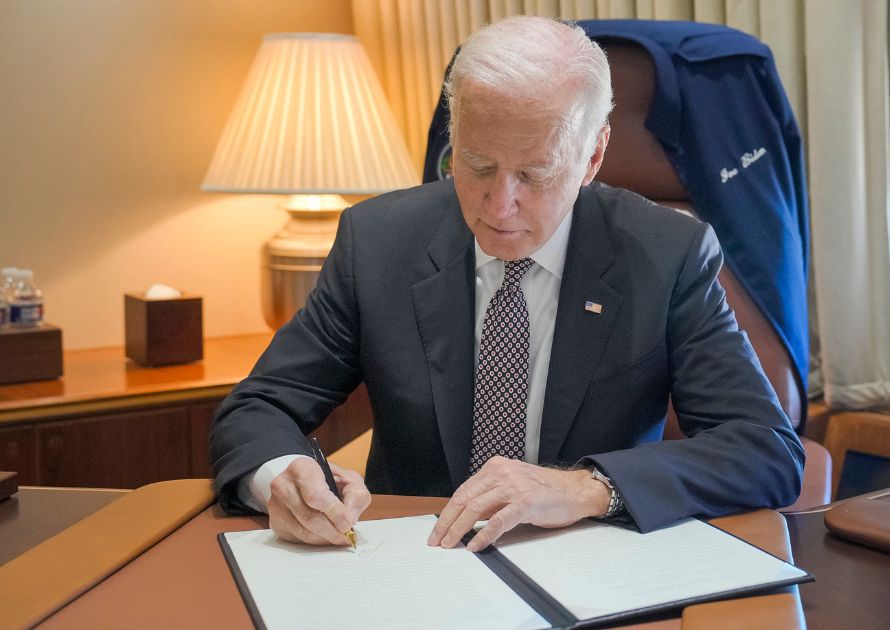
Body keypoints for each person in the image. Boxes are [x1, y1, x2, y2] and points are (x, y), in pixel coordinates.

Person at [210, 15, 805, 553]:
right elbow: (258, 405)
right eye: (478, 165)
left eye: (535, 172)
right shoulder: (378, 241)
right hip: (411, 565)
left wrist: (588, 487)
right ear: (454, 137)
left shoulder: (667, 253)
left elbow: (764, 450)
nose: (501, 205)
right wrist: (283, 475)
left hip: (588, 564)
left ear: (593, 156)